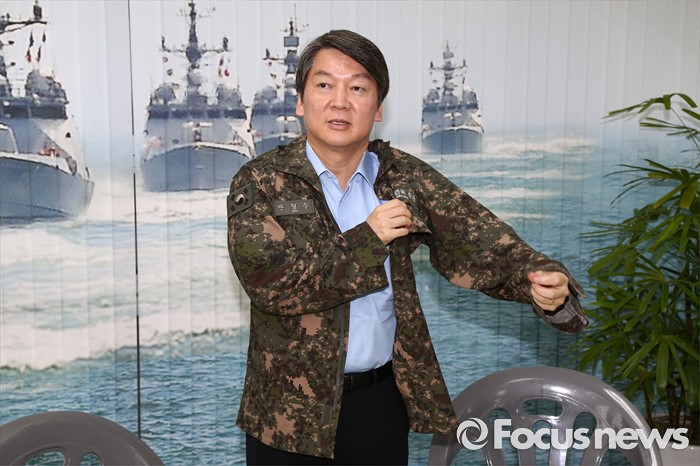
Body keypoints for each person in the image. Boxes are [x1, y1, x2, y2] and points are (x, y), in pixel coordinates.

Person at [226, 29, 588, 465]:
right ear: (301, 101)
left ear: (378, 108)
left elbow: (480, 240)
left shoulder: (401, 177)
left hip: (379, 405)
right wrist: (368, 238)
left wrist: (542, 284)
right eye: (324, 85)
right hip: (287, 419)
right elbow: (272, 284)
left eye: (358, 88)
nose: (340, 102)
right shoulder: (261, 182)